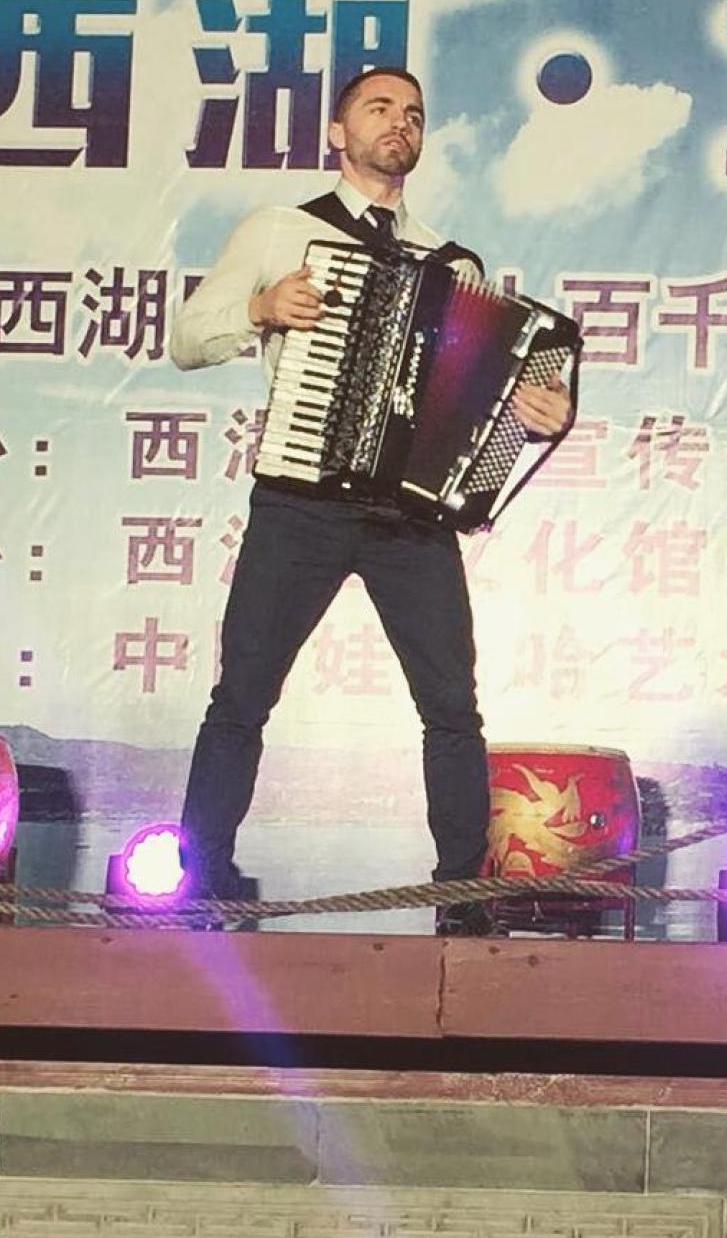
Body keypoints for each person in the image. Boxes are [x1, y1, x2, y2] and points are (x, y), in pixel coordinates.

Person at [170, 67, 572, 935]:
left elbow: (490, 406)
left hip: (412, 518)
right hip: (302, 500)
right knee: (242, 696)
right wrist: (261, 307)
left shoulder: (451, 263)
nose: (400, 124)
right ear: (338, 132)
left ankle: (461, 896)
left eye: (414, 115)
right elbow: (188, 339)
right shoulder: (282, 229)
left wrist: (539, 411)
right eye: (380, 109)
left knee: (451, 706)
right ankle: (201, 882)